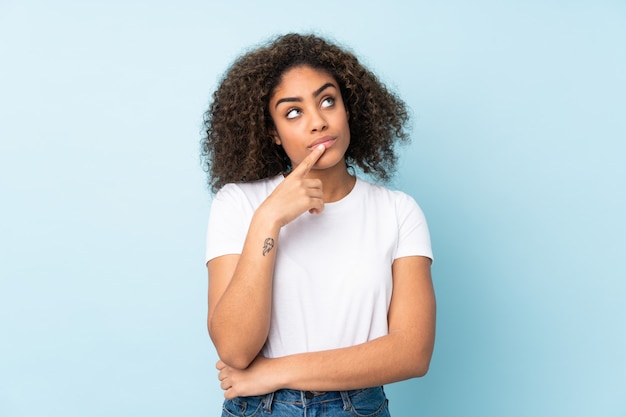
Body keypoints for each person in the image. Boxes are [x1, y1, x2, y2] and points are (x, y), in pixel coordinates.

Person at [202, 33, 435, 417]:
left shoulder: (398, 211)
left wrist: (275, 372)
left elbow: (412, 352)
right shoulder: (239, 204)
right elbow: (235, 349)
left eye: (328, 101)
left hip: (358, 408)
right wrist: (269, 219)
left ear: (349, 109)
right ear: (273, 133)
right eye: (293, 112)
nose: (318, 122)